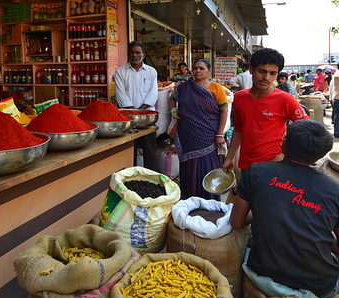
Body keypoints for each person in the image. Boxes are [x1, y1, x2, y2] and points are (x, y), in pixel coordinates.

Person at [230, 119, 339, 298]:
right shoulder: (334, 189)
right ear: (321, 155)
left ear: (284, 143)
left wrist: (262, 213)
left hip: (264, 276)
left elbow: (236, 222)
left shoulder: (256, 172)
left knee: (248, 245)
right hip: (319, 286)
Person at [223, 48, 309, 172]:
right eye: (262, 71)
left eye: (273, 73)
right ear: (251, 70)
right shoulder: (240, 97)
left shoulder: (285, 99)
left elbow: (309, 130)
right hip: (246, 165)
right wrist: (229, 158)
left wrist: (289, 156)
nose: (266, 77)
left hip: (275, 166)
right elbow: (239, 129)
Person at [169, 59, 228, 199]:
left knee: (208, 167)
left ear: (208, 71)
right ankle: (189, 200)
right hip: (187, 135)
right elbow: (172, 98)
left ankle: (209, 201)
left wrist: (220, 134)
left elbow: (224, 111)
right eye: (195, 68)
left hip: (209, 135)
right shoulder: (184, 87)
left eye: (201, 68)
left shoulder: (216, 88)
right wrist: (173, 110)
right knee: (189, 169)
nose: (197, 71)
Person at [114, 41, 159, 170]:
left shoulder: (151, 72)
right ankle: (129, 175)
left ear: (143, 55)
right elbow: (120, 94)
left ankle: (151, 176)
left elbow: (153, 93)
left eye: (138, 52)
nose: (135, 55)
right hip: (127, 117)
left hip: (147, 118)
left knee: (149, 149)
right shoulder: (120, 72)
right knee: (129, 149)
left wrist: (140, 111)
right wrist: (133, 112)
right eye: (132, 52)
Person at [330, 63, 339, 137]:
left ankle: (337, 132)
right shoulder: (337, 74)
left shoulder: (336, 73)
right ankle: (337, 132)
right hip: (338, 98)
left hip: (336, 98)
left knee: (337, 115)